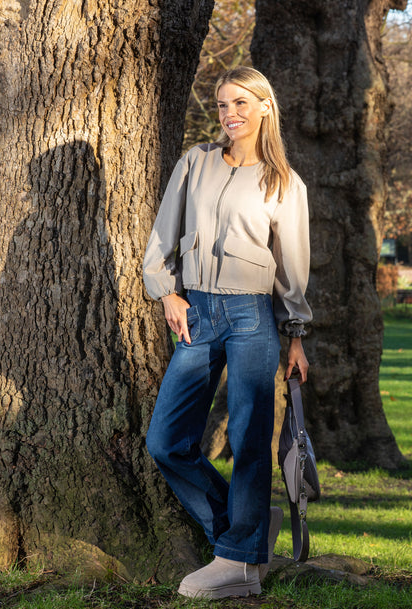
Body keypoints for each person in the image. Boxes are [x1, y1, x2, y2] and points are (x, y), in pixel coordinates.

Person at [143, 66, 312, 599]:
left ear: (265, 107)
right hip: (197, 313)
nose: (229, 113)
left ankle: (237, 561)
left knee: (248, 439)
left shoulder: (284, 182)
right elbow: (162, 236)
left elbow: (292, 268)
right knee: (166, 441)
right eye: (222, 104)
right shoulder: (196, 162)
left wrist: (296, 335)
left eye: (240, 102)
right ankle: (245, 537)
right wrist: (166, 292)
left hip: (251, 316)